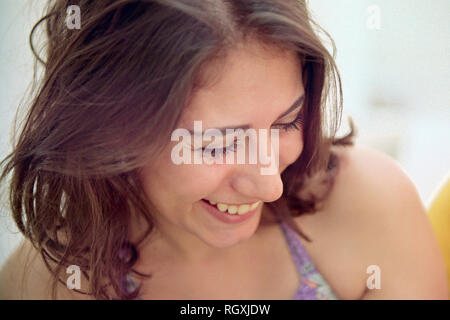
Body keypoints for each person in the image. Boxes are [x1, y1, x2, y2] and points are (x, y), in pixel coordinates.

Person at [0, 0, 447, 300]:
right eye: (219, 143)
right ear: (111, 131)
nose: (270, 183)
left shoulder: (370, 201)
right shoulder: (50, 280)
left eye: (286, 121)